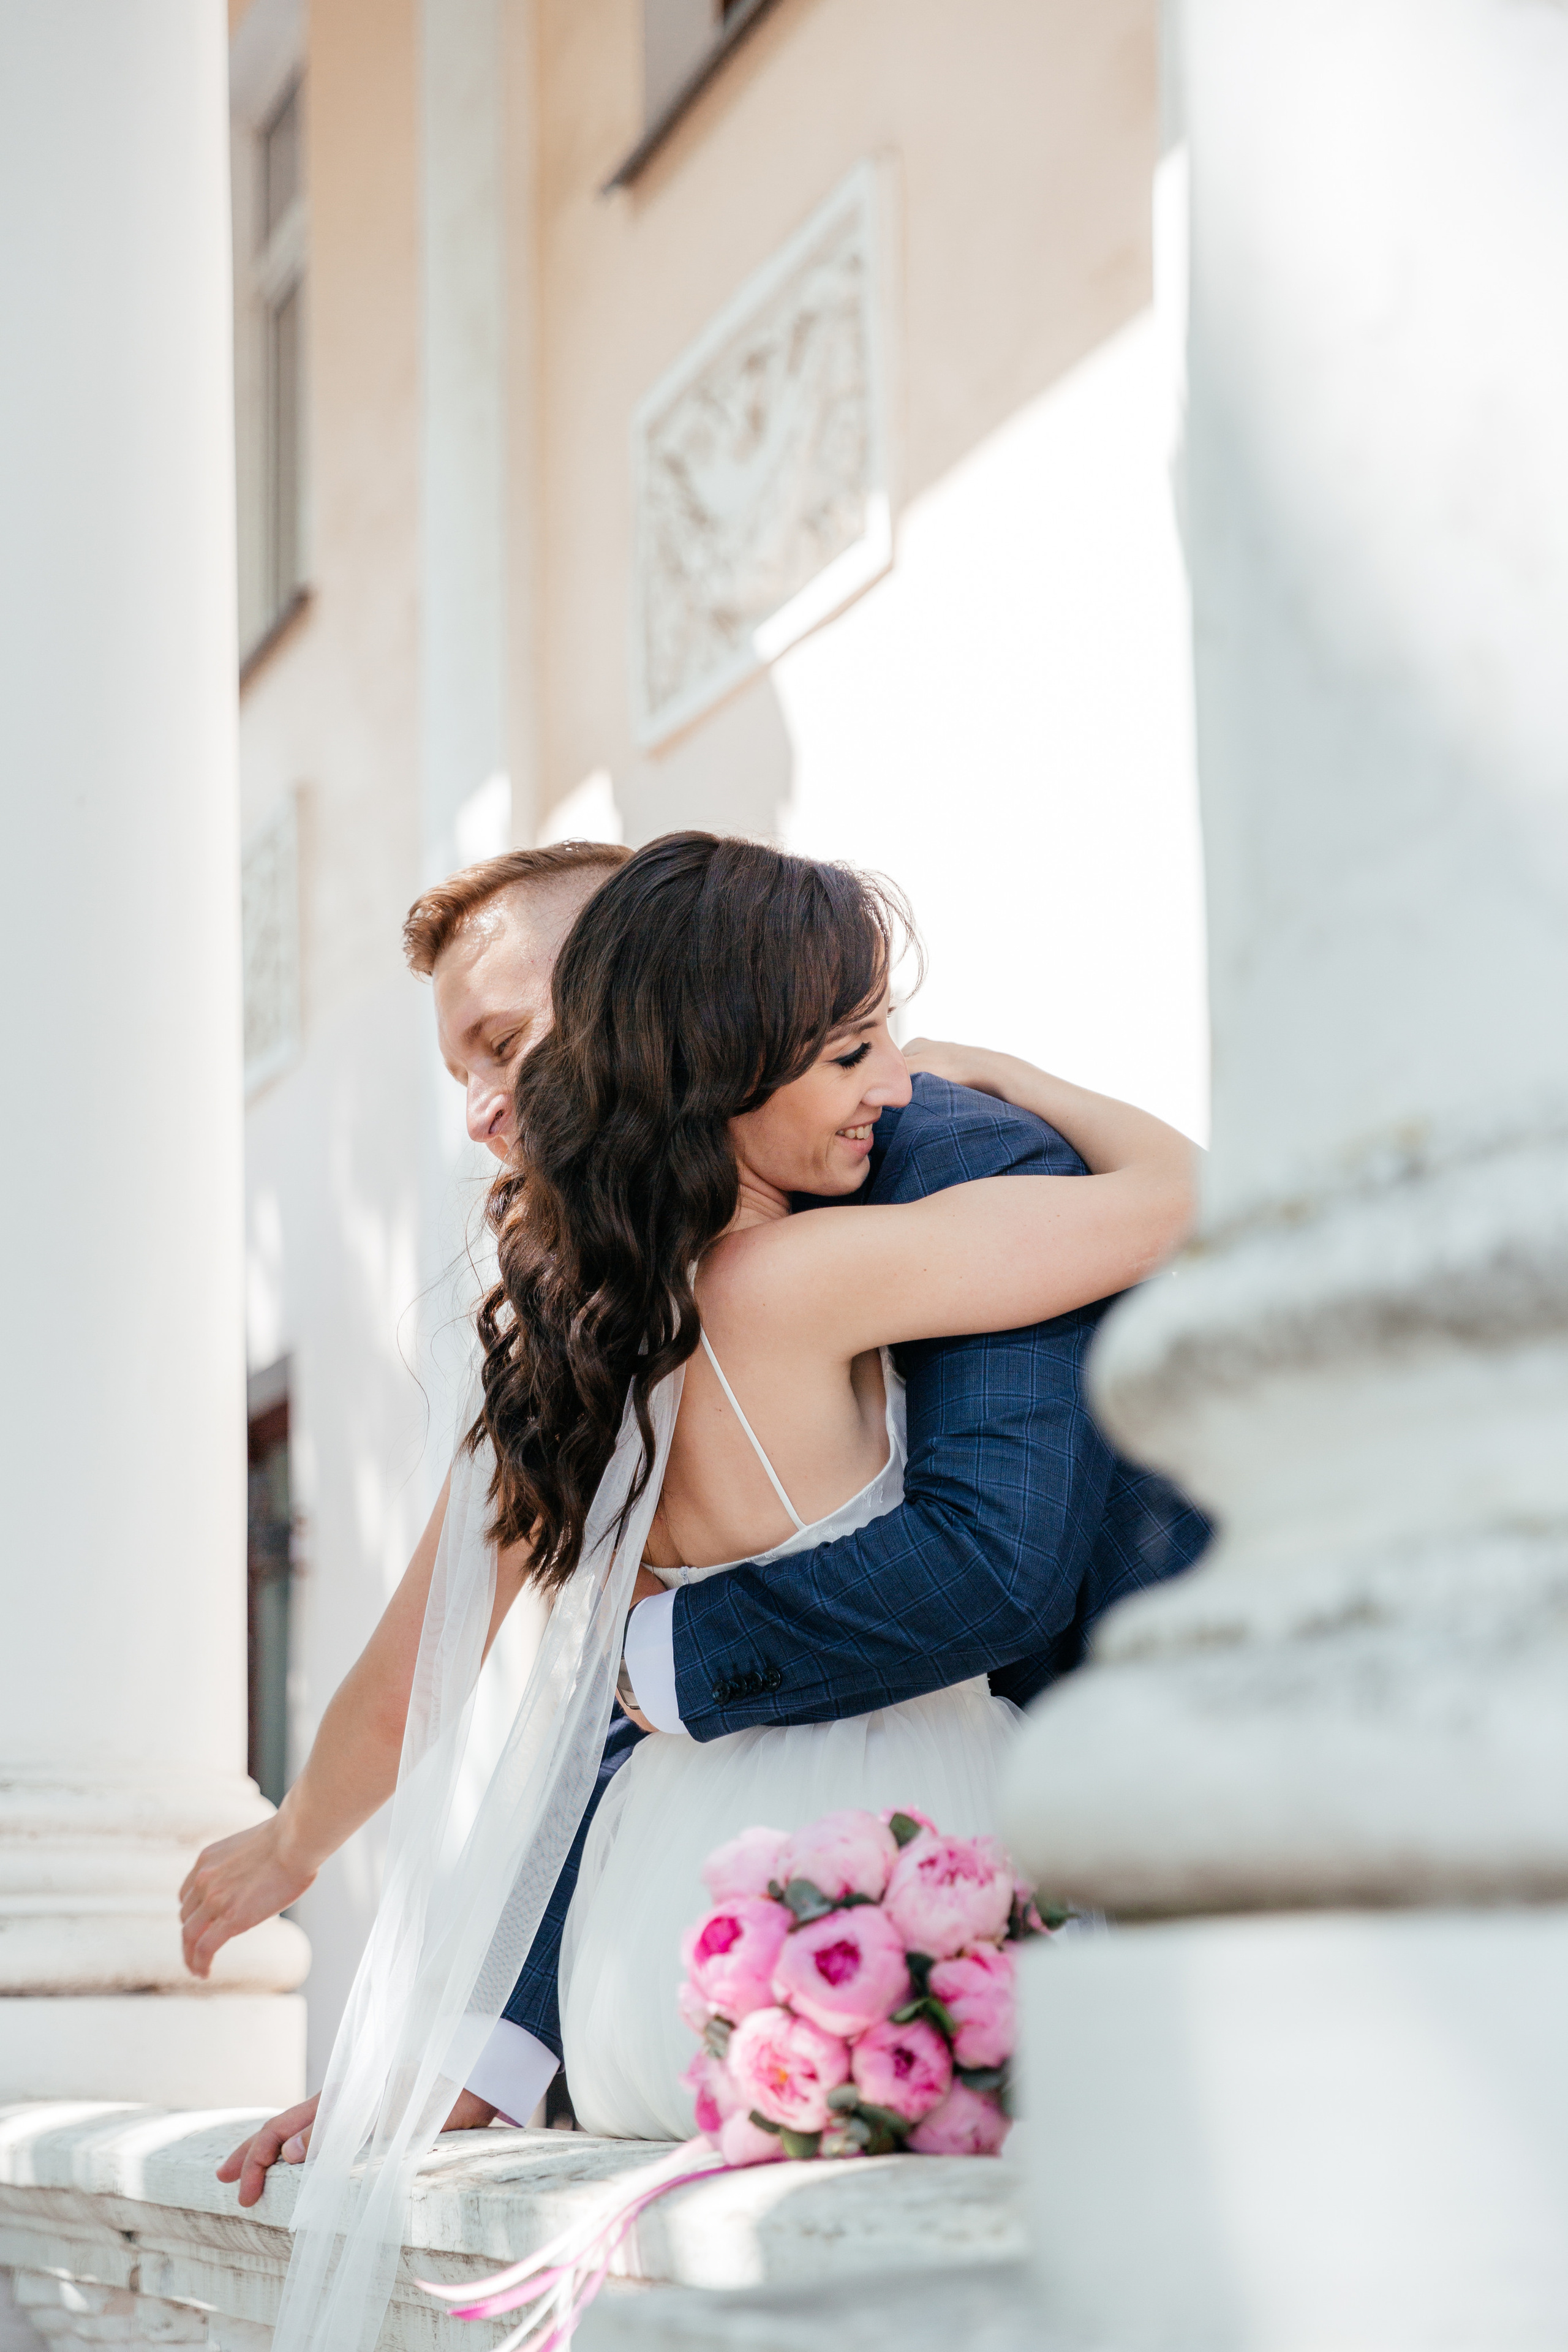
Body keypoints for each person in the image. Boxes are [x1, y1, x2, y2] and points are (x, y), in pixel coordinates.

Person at [186, 835, 1208, 2193]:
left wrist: (289, 1843)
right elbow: (1191, 1199)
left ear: (654, 1001)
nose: (485, 1111)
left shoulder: (567, 1328)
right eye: (854, 1046)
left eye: (500, 1044)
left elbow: (411, 1680)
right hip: (879, 1892)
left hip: (676, 1927)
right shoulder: (786, 1275)